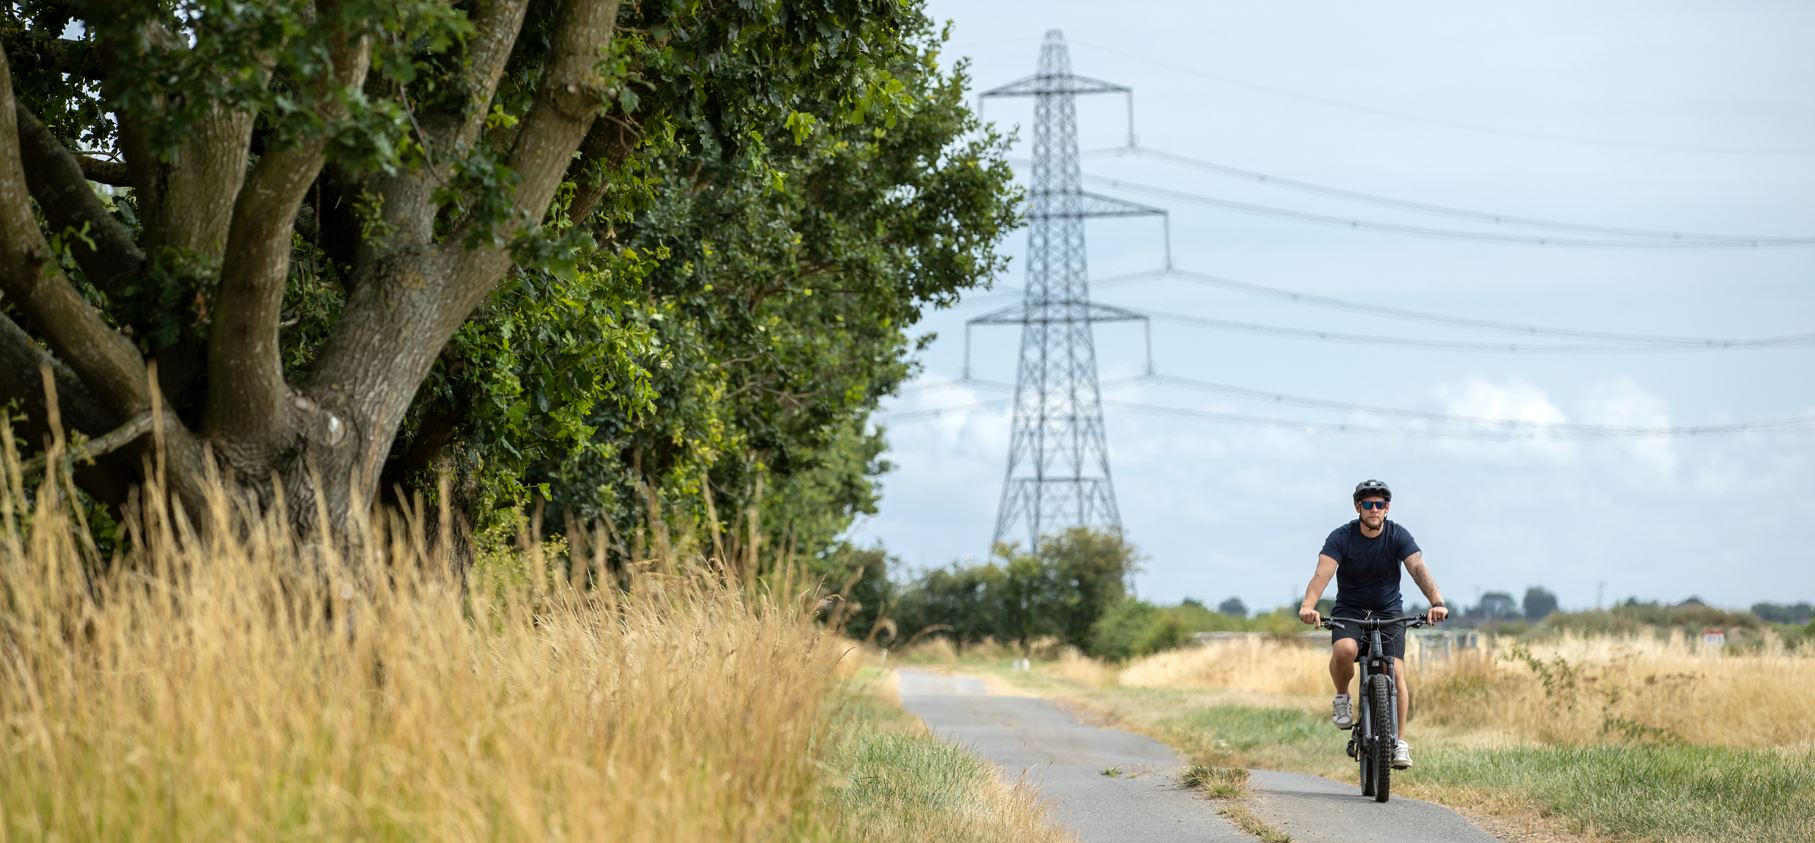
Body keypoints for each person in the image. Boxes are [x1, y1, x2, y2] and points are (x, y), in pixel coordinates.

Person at [1297, 479, 1448, 769]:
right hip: (1350, 611)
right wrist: (1308, 605)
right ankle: (1342, 697)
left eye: (1380, 504)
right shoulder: (1341, 537)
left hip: (1389, 612)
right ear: (1358, 507)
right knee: (1343, 650)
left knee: (1396, 672)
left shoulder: (1398, 535)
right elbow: (1323, 572)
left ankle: (1400, 742)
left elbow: (1417, 567)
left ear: (1387, 508)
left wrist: (1437, 602)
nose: (1374, 509)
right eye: (1368, 504)